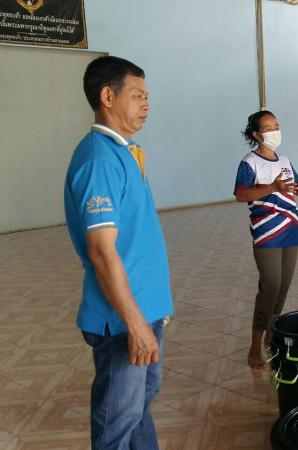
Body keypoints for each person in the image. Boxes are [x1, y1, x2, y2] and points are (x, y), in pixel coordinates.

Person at [64, 55, 172, 448]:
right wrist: (137, 325)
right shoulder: (99, 160)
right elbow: (101, 252)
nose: (147, 104)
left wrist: (156, 307)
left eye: (147, 96)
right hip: (121, 320)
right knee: (117, 423)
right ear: (108, 96)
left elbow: (136, 237)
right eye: (138, 95)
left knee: (139, 405)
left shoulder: (125, 151)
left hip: (144, 309)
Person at [234, 110, 298, 370]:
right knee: (271, 285)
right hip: (266, 232)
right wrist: (271, 188)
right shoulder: (249, 163)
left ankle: (270, 335)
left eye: (276, 125)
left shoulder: (284, 160)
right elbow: (241, 195)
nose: (275, 131)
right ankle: (254, 346)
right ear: (257, 135)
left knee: (283, 286)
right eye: (268, 128)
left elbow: (297, 189)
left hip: (291, 229)